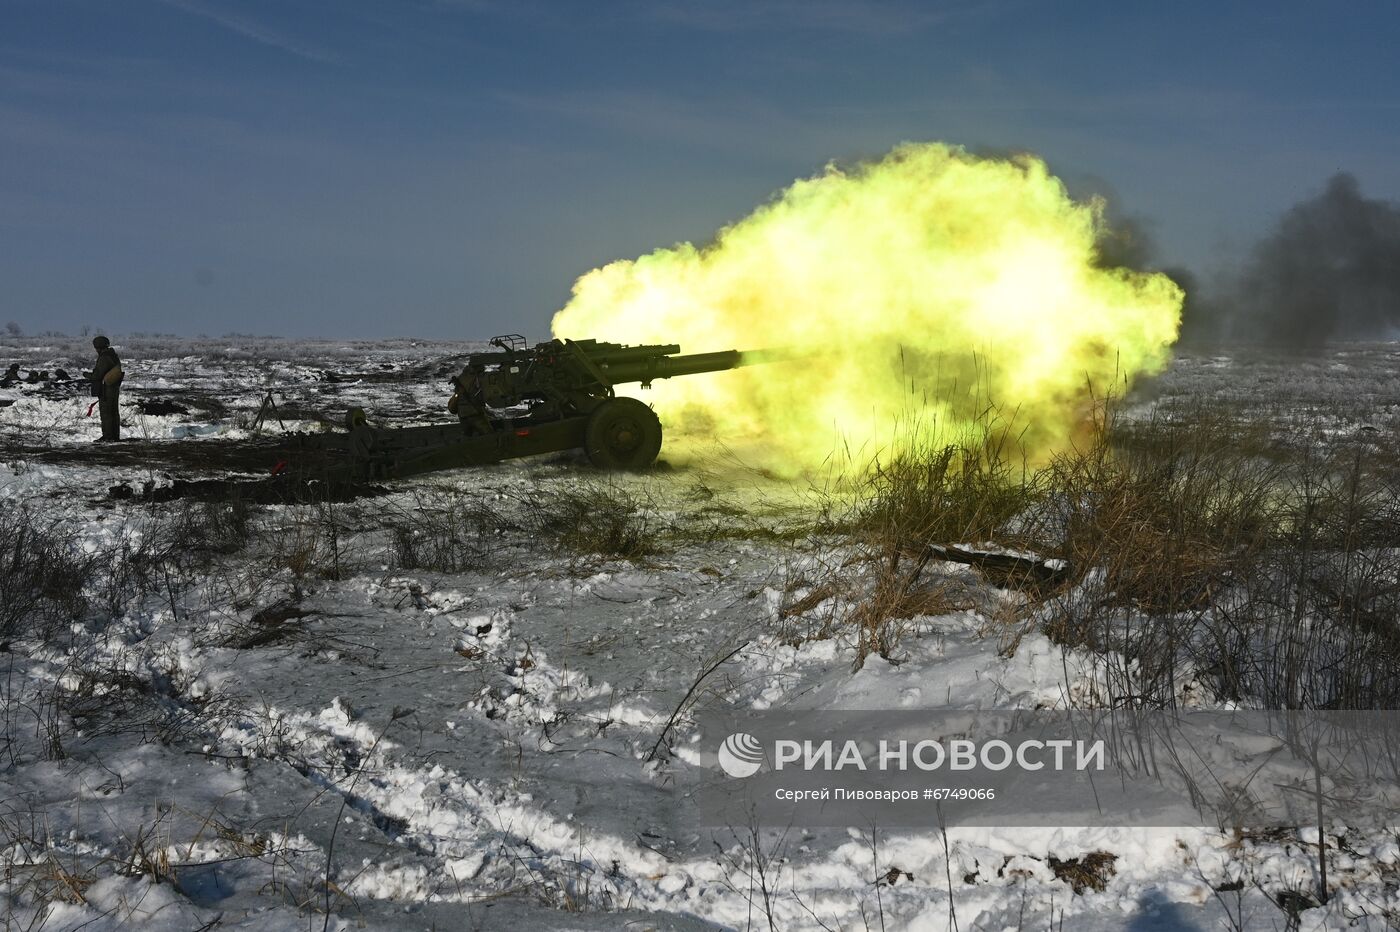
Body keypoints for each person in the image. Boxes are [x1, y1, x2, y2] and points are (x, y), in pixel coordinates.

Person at [88, 335, 124, 441]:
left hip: (106, 389)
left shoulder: (104, 357)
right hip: (113, 388)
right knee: (113, 412)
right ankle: (114, 436)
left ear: (98, 346)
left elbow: (98, 375)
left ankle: (108, 437)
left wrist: (87, 375)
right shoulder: (113, 355)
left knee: (106, 413)